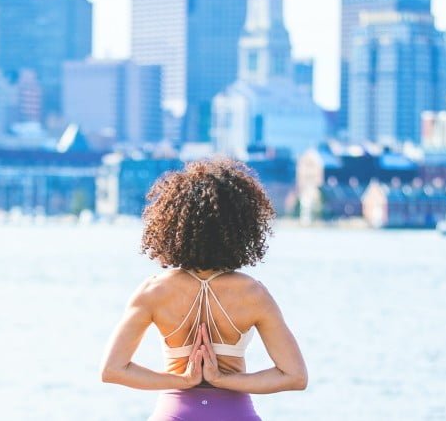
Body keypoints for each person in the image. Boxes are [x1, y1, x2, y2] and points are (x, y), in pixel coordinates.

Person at [100, 158, 308, 420]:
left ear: (172, 223)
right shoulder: (254, 294)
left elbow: (113, 370)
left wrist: (184, 380)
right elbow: (295, 376)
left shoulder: (153, 291)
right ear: (240, 227)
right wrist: (222, 379)